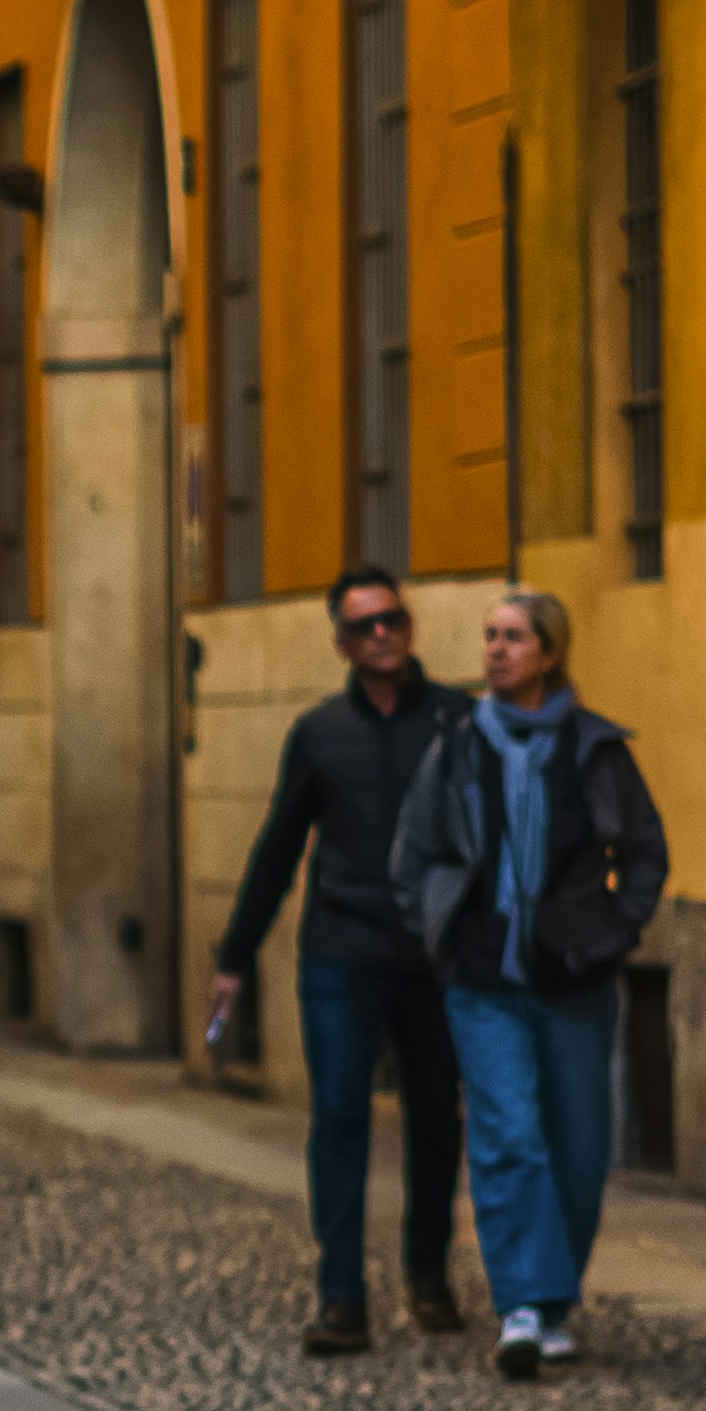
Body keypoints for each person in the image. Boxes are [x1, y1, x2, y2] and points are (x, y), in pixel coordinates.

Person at [389, 588, 670, 1380]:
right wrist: (439, 930)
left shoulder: (594, 748)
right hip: (482, 978)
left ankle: (551, 1303)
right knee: (507, 1135)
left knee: (579, 1148)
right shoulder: (457, 746)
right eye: (489, 636)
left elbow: (645, 852)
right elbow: (412, 855)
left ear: (549, 652)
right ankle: (518, 1302)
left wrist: (615, 929)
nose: (495, 650)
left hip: (573, 976)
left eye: (513, 637)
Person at [208, 567, 474, 1357]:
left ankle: (426, 1273)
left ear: (409, 626)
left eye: (391, 618)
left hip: (431, 951)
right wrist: (234, 954)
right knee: (338, 1116)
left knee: (435, 1115)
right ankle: (341, 1296)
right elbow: (278, 845)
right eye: (363, 625)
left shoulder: (457, 721)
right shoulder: (319, 733)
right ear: (341, 643)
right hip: (341, 947)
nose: (381, 633)